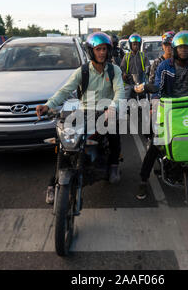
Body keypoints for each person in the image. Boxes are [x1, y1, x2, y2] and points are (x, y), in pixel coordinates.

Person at [36, 32, 125, 204]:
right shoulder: (82, 71)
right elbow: (65, 90)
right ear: (91, 51)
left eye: (104, 49)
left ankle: (114, 165)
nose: (102, 53)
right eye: (98, 49)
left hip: (107, 112)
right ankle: (53, 184)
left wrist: (112, 108)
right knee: (64, 144)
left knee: (114, 135)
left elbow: (119, 91)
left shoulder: (114, 70)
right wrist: (49, 105)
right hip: (84, 112)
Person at [133, 30, 188, 200]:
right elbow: (158, 86)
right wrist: (156, 105)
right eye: (181, 48)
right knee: (156, 144)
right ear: (174, 48)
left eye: (187, 48)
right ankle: (143, 181)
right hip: (170, 107)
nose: (184, 51)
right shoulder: (164, 66)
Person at [120, 33, 150, 99]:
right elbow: (122, 68)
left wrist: (147, 71)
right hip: (130, 83)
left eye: (137, 44)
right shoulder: (126, 56)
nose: (136, 46)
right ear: (130, 45)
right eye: (134, 44)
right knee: (129, 103)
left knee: (143, 101)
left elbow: (148, 66)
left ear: (140, 45)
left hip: (141, 82)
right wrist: (124, 74)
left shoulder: (143, 55)